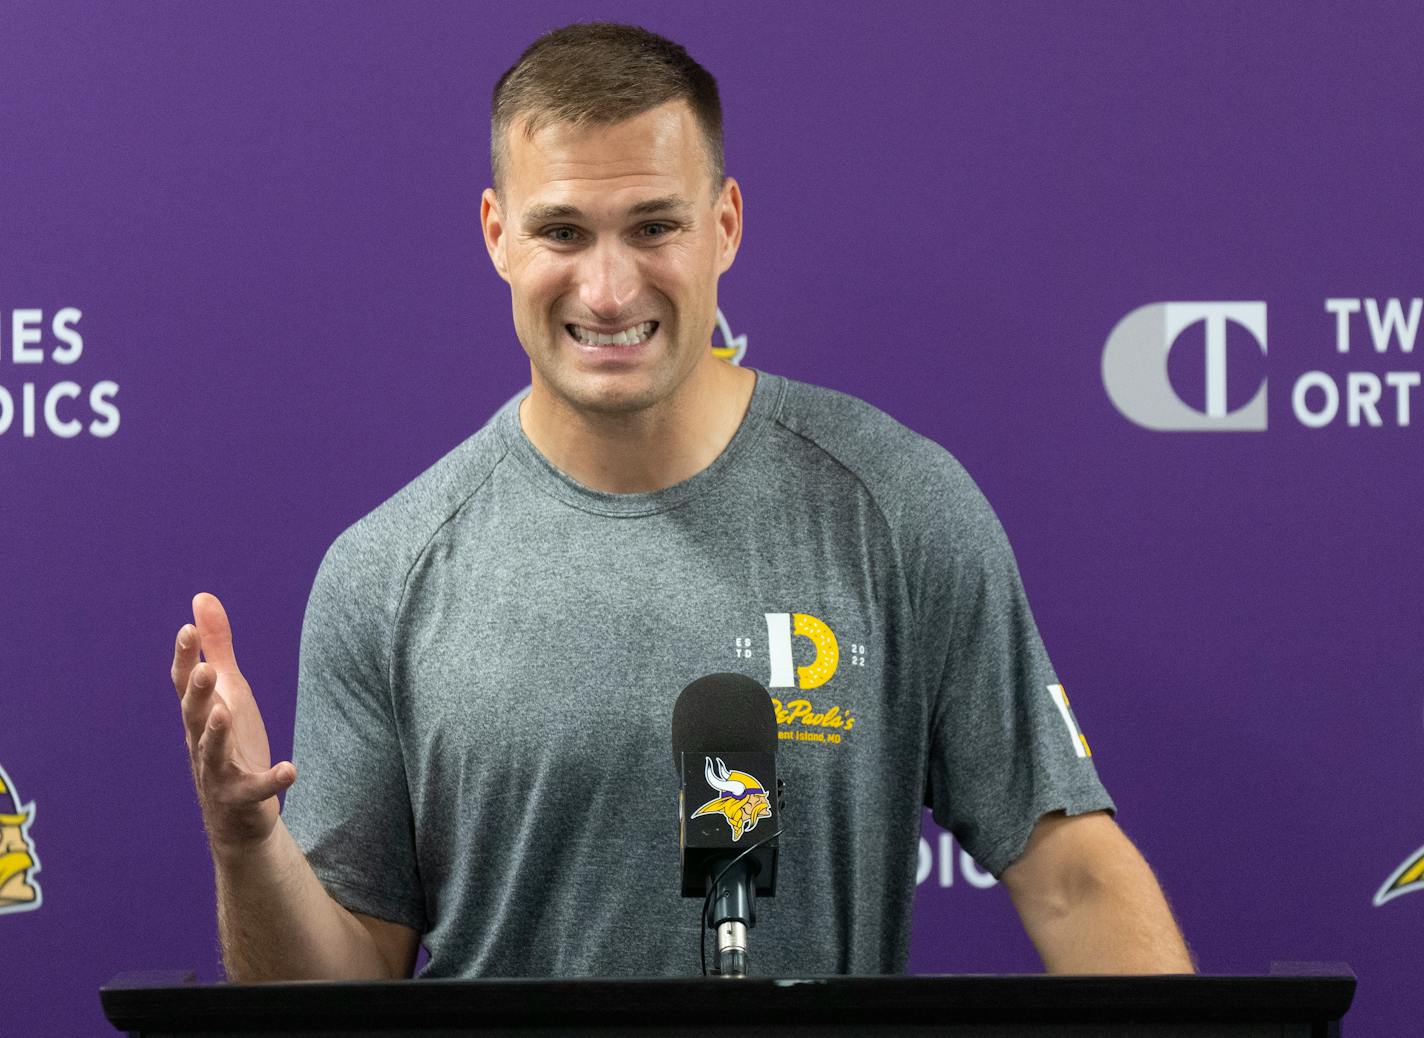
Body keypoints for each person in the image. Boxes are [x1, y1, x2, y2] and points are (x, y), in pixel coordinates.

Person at [169, 22, 1194, 981]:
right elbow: (338, 983)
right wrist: (246, 844)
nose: (608, 290)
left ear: (725, 225)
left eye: (653, 225)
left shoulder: (895, 505)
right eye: (561, 231)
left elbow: (1069, 877)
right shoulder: (385, 573)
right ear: (497, 236)